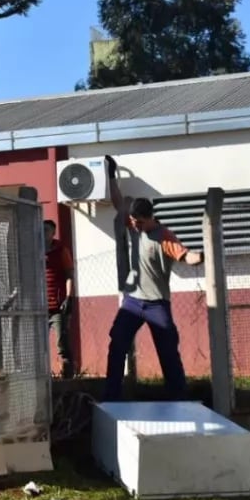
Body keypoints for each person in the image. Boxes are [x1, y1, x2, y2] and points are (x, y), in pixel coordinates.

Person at [102, 154, 204, 402]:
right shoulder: (134, 226)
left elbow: (185, 256)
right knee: (117, 346)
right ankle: (111, 397)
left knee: (168, 352)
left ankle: (179, 397)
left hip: (157, 304)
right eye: (133, 221)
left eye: (139, 221)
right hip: (133, 302)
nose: (134, 225)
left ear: (150, 218)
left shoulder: (165, 236)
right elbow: (118, 203)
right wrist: (112, 175)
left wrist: (200, 256)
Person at [44, 219, 76, 379]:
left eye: (47, 231)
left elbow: (69, 275)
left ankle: (68, 374)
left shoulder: (61, 250)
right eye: (41, 230)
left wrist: (68, 298)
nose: (43, 234)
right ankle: (43, 376)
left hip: (57, 305)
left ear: (53, 233)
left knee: (61, 342)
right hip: (39, 307)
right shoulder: (34, 251)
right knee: (39, 345)